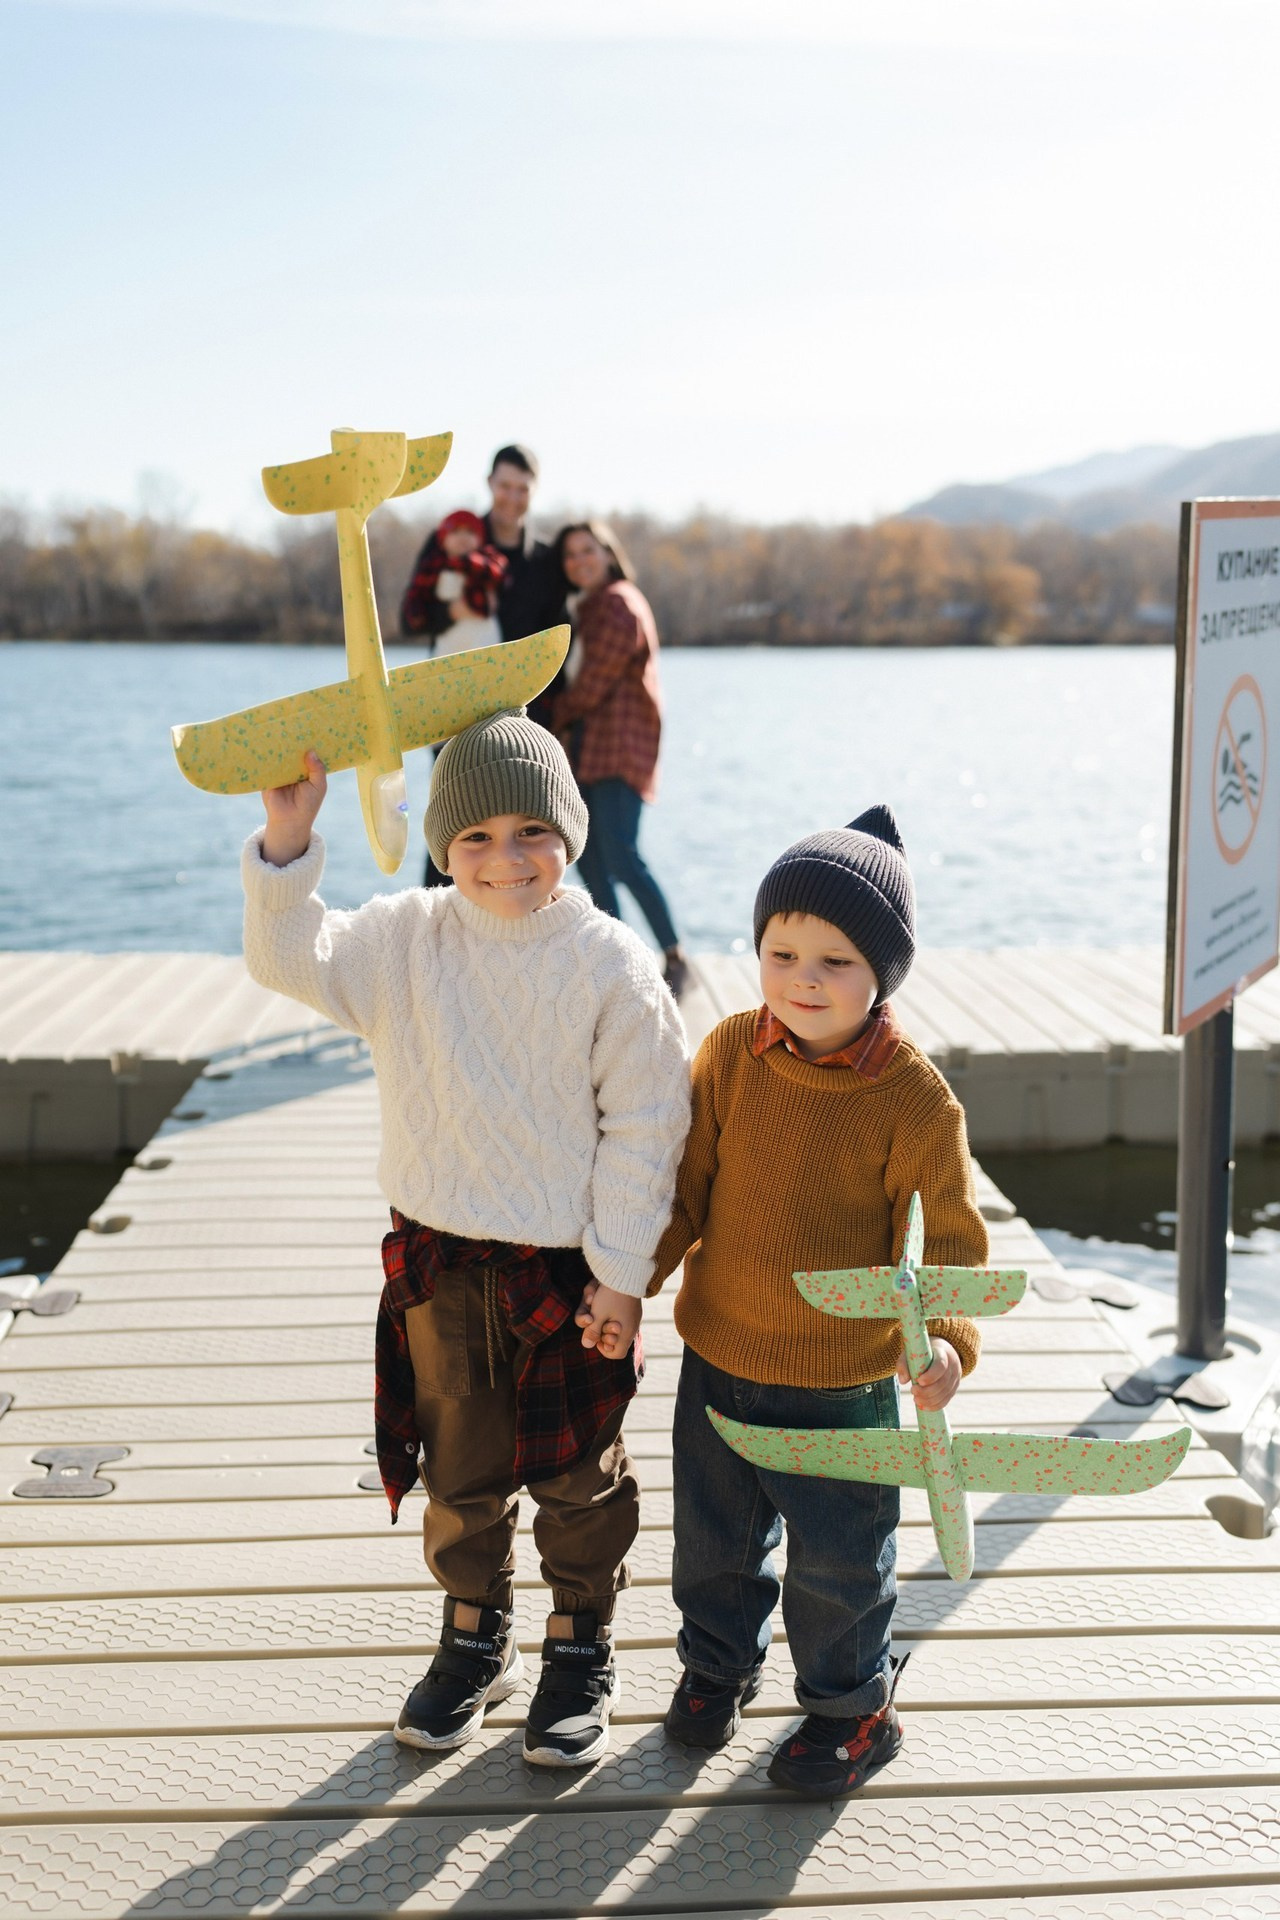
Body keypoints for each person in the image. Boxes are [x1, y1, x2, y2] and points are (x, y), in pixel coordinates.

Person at [241, 710, 690, 1767]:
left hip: (566, 1273)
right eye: (476, 837)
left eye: (530, 831)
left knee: (581, 1479)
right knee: (460, 1478)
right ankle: (472, 1638)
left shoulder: (610, 963)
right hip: (438, 1267)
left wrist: (622, 1277)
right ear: (443, 845)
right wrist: (288, 844)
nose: (504, 859)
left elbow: (646, 1129)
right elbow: (284, 957)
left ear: (569, 834)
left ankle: (578, 1642)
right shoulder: (403, 938)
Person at [647, 804, 988, 1798]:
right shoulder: (725, 1054)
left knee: (838, 1564)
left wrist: (951, 1345)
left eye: (834, 961)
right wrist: (632, 1282)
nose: (802, 977)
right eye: (780, 950)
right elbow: (684, 1189)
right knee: (712, 1543)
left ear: (880, 973)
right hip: (717, 1355)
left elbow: (954, 1241)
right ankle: (718, 1666)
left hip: (840, 1381)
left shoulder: (914, 1101)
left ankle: (851, 1710)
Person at [401, 444, 568, 886]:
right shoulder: (453, 539)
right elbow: (410, 618)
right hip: (450, 708)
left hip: (522, 717)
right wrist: (452, 612)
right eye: (505, 486)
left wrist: (549, 723)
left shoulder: (544, 560)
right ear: (490, 484)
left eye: (522, 489)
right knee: (453, 823)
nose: (513, 497)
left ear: (533, 491)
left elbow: (557, 643)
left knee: (524, 829)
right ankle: (433, 931)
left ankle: (508, 936)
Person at [551, 519, 690, 999]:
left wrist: (545, 717)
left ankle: (674, 955)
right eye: (570, 555)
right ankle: (618, 960)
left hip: (619, 748)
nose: (579, 561)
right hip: (592, 752)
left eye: (587, 550)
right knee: (590, 860)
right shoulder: (590, 606)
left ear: (608, 552)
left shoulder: (616, 604)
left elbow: (591, 685)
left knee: (622, 856)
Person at [405, 508, 507, 657]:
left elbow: (498, 574)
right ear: (443, 540)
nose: (463, 537)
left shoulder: (487, 560)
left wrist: (468, 563)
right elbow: (417, 597)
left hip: (483, 641)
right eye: (455, 531)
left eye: (470, 532)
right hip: (448, 644)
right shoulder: (433, 567)